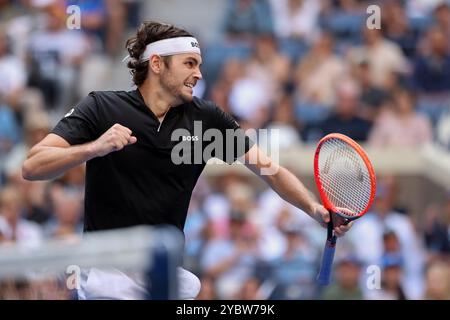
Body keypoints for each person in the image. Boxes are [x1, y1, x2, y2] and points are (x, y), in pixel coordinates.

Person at [21, 21, 352, 300]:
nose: (198, 73)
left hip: (164, 274)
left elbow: (270, 170)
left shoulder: (206, 118)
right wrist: (93, 148)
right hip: (107, 270)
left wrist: (314, 209)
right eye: (189, 63)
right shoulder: (101, 107)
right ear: (157, 64)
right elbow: (33, 166)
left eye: (199, 64)